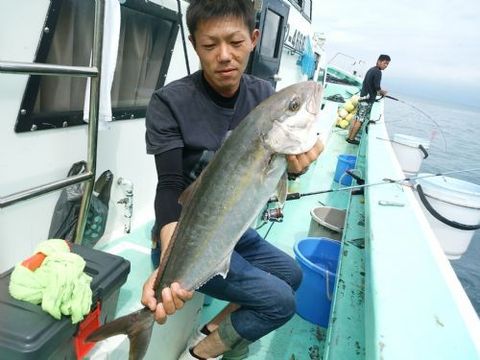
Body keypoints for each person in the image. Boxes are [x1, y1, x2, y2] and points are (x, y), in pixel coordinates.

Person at [143, 1, 323, 359]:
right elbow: (169, 186)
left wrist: (296, 166)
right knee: (281, 302)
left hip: (235, 231)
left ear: (254, 39)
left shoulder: (261, 95)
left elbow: (279, 169)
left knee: (293, 275)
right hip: (184, 237)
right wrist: (168, 257)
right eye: (210, 45)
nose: (224, 55)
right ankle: (201, 354)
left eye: (236, 42)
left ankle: (211, 327)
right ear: (195, 45)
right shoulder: (169, 103)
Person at [346, 54, 391, 145]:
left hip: (362, 97)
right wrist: (383, 92)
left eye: (387, 64)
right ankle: (351, 139)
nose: (386, 65)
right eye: (385, 63)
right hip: (367, 101)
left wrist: (377, 92)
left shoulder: (371, 70)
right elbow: (377, 88)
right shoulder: (378, 72)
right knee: (360, 120)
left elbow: (368, 85)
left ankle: (349, 137)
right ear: (379, 61)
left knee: (356, 118)